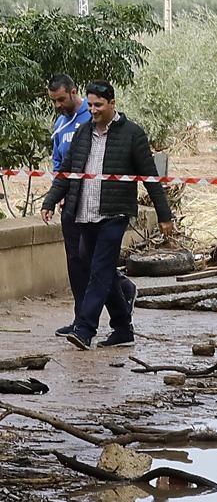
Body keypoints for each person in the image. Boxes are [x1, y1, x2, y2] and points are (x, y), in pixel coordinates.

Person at [40, 81, 174, 350]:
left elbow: (150, 177)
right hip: (84, 213)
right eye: (90, 105)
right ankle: (123, 328)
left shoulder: (132, 134)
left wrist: (164, 215)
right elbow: (67, 171)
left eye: (98, 105)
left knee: (100, 269)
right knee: (99, 269)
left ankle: (85, 328)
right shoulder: (82, 133)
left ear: (113, 103)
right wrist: (50, 200)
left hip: (115, 213)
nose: (93, 110)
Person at [46, 74, 138, 340]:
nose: (58, 105)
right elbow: (61, 164)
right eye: (53, 101)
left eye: (61, 99)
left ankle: (88, 325)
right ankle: (93, 321)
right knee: (78, 263)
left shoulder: (93, 121)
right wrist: (55, 196)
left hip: (103, 206)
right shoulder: (61, 124)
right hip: (73, 205)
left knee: (97, 265)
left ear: (73, 92)